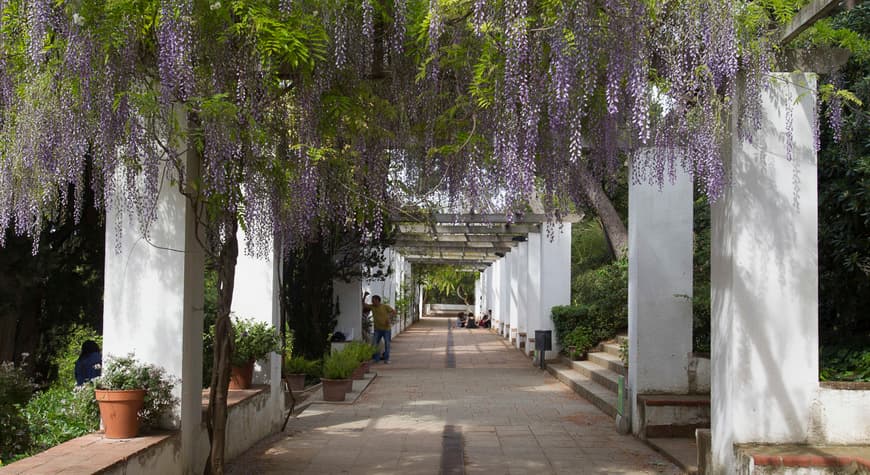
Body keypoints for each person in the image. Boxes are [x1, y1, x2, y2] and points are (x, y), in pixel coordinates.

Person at [363, 292, 397, 364]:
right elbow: (363, 305)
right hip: (377, 330)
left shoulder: (385, 306)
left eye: (374, 300)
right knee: (375, 344)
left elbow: (394, 312)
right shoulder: (372, 307)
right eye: (372, 301)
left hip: (386, 329)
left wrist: (389, 318)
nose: (372, 302)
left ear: (378, 301)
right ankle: (376, 359)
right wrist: (364, 296)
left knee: (387, 344)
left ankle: (386, 359)